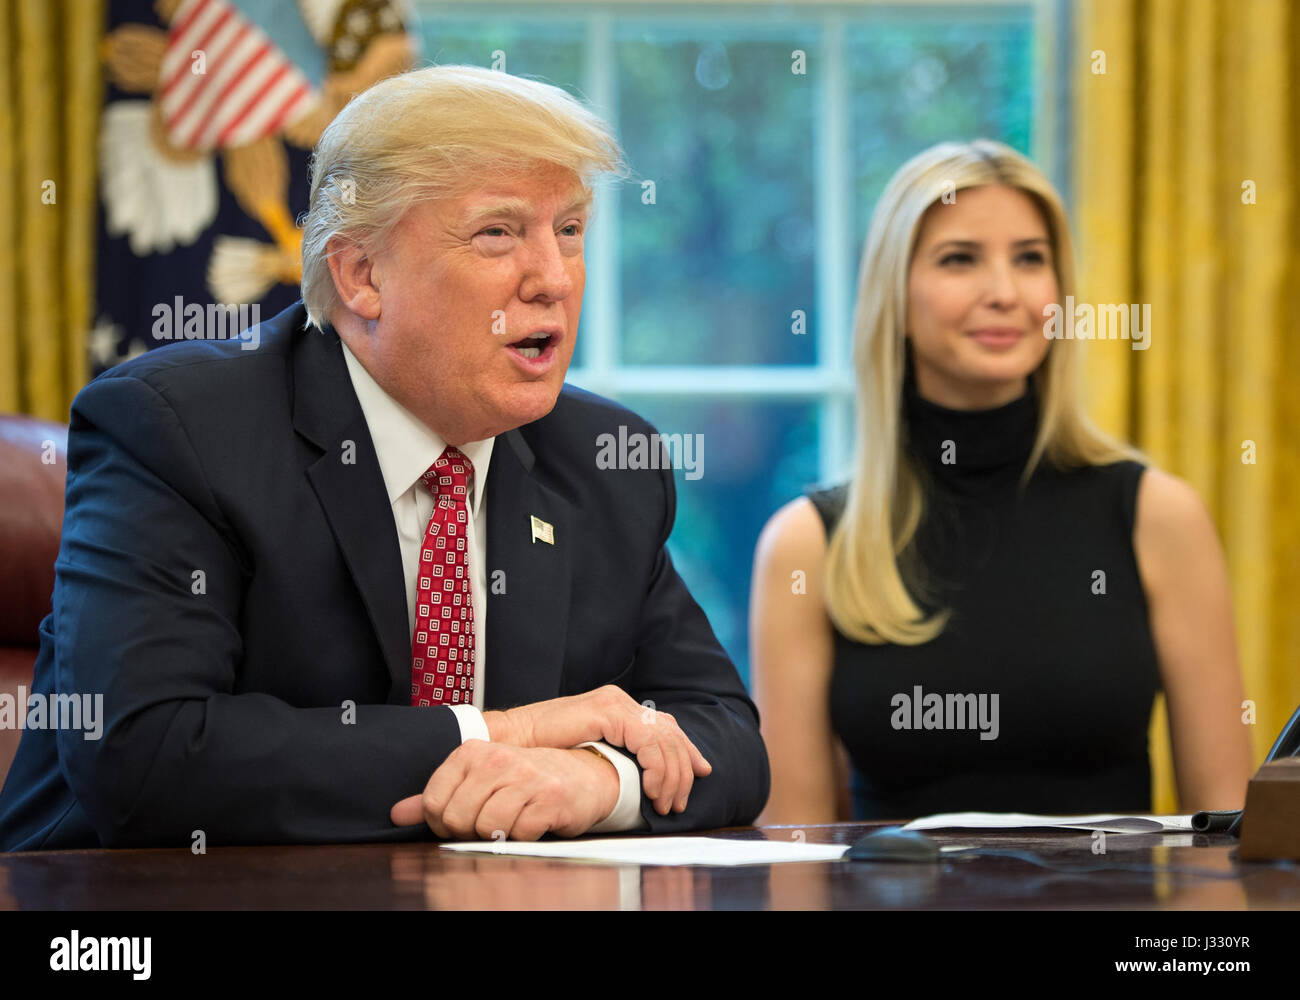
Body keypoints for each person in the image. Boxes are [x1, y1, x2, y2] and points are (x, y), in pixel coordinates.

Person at [0, 65, 769, 850]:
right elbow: (148, 756)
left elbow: (729, 739)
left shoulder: (607, 461)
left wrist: (599, 779)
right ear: (362, 275)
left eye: (569, 231)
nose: (552, 279)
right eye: (497, 233)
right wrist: (496, 736)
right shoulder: (179, 430)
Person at [751, 139, 1253, 824]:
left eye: (1030, 259)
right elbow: (795, 855)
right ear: (894, 294)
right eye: (961, 260)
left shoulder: (1157, 517)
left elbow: (1227, 832)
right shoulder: (807, 546)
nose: (1005, 293)